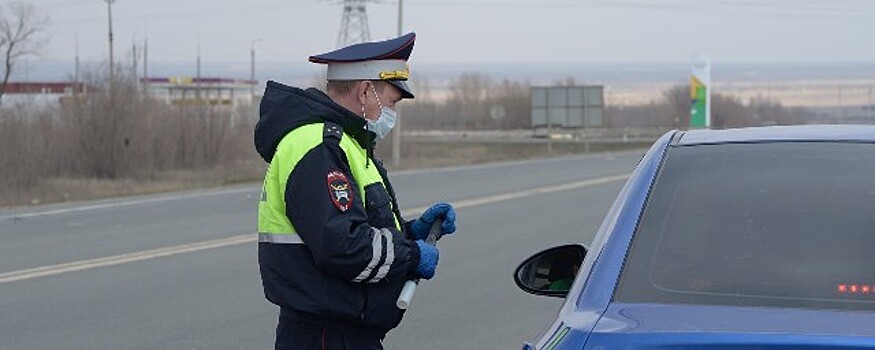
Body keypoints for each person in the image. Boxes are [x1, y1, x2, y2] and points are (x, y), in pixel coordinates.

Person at [254, 32, 458, 350]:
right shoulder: (319, 146)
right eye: (391, 102)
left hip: (346, 332)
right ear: (365, 91)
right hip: (325, 336)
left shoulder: (346, 144)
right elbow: (343, 247)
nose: (392, 114)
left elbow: (356, 225)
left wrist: (412, 232)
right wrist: (413, 254)